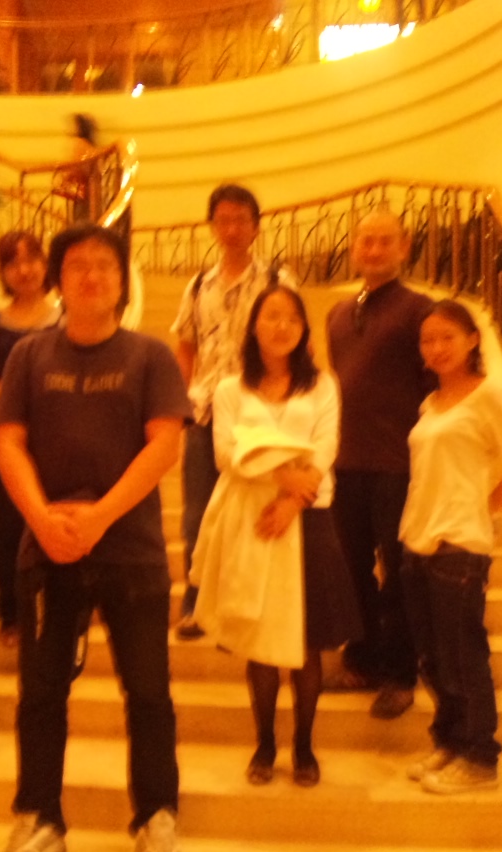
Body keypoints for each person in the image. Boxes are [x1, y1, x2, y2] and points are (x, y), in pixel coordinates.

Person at [0, 223, 190, 852]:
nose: (92, 276)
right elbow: (8, 445)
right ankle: (40, 818)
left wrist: (100, 517)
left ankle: (156, 818)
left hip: (132, 552)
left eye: (105, 265)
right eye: (77, 265)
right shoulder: (29, 356)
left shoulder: (150, 355)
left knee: (149, 693)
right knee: (41, 694)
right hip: (47, 549)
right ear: (58, 279)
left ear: (123, 280)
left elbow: (165, 445)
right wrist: (42, 518)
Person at [191, 286, 358, 788]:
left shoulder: (322, 384)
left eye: (292, 318)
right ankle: (264, 743)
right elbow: (225, 453)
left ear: (304, 329)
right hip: (254, 518)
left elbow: (325, 445)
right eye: (271, 316)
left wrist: (293, 499)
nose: (282, 326)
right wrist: (282, 479)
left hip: (310, 516)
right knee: (260, 643)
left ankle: (304, 747)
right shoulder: (230, 388)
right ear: (254, 325)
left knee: (306, 645)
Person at [401, 300, 502, 793]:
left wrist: (482, 507)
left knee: (463, 653)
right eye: (428, 340)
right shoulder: (430, 404)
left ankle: (480, 758)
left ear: (472, 340)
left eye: (447, 337)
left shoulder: (490, 394)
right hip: (417, 536)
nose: (437, 348)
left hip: (459, 541)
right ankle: (451, 741)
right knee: (433, 656)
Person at [324, 209, 436, 719]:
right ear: (354, 248)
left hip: (398, 463)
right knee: (350, 569)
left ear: (403, 247)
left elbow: (435, 385)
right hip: (346, 462)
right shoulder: (338, 314)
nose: (373, 250)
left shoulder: (420, 310)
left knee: (400, 571)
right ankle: (363, 658)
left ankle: (400, 673)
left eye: (384, 241)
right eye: (365, 241)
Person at [171, 183, 294, 640]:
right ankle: (196, 600)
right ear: (212, 226)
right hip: (205, 413)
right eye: (223, 220)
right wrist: (179, 404)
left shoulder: (278, 281)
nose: (232, 228)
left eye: (241, 220)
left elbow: (294, 340)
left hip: (260, 413)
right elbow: (186, 347)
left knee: (254, 507)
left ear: (256, 227)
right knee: (198, 512)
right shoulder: (197, 286)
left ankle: (252, 601)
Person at [0, 231, 61, 648]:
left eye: (31, 260)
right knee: (8, 523)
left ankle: (56, 608)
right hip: (0, 438)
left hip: (55, 437)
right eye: (13, 263)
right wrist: (14, 417)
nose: (24, 270)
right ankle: (11, 613)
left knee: (53, 517)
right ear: (3, 272)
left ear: (45, 264)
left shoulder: (65, 318)